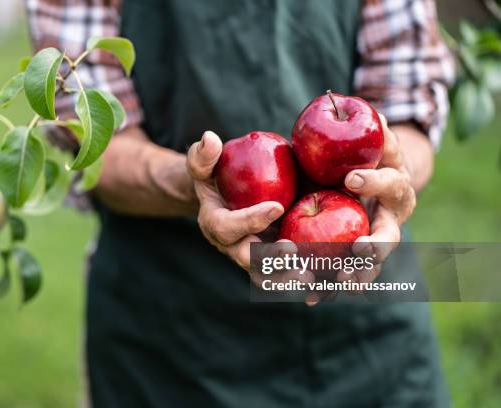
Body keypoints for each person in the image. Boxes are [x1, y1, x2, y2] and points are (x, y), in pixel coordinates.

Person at [26, 0, 455, 406]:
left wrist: (393, 179)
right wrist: (198, 183)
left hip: (362, 307)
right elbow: (100, 146)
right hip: (172, 323)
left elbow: (407, 106)